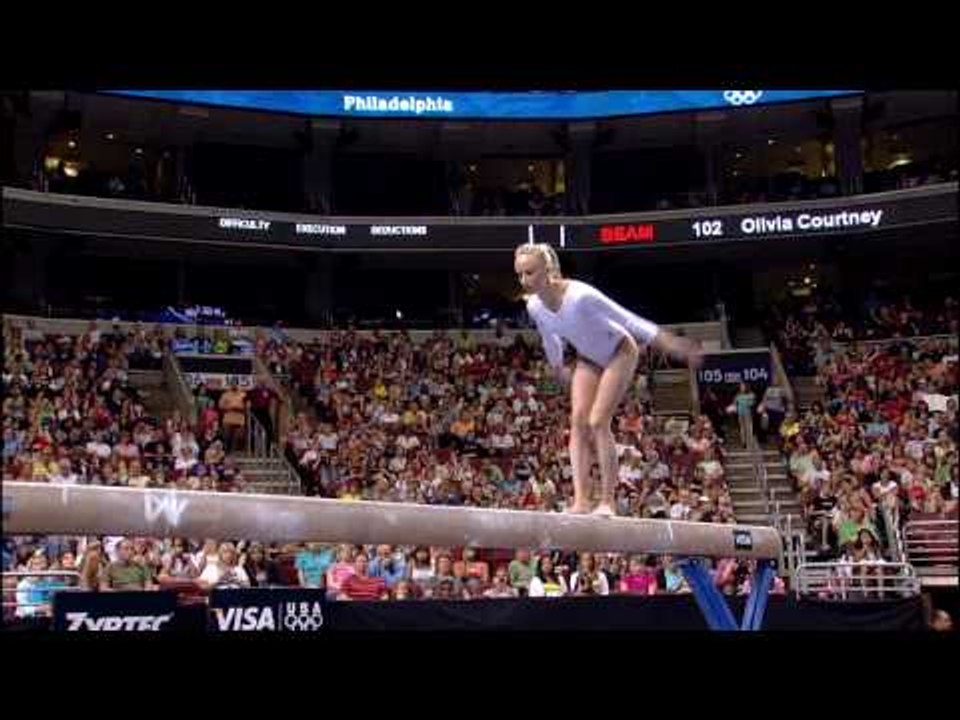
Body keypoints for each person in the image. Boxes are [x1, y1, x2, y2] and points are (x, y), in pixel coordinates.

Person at [515, 243, 702, 516]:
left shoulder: (581, 296)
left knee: (597, 421)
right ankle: (581, 501)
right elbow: (549, 337)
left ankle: (607, 502)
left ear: (549, 270)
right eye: (519, 274)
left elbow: (628, 319)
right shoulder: (534, 306)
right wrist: (557, 366)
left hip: (620, 351)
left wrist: (671, 344)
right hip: (588, 357)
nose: (524, 280)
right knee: (577, 423)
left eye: (529, 273)